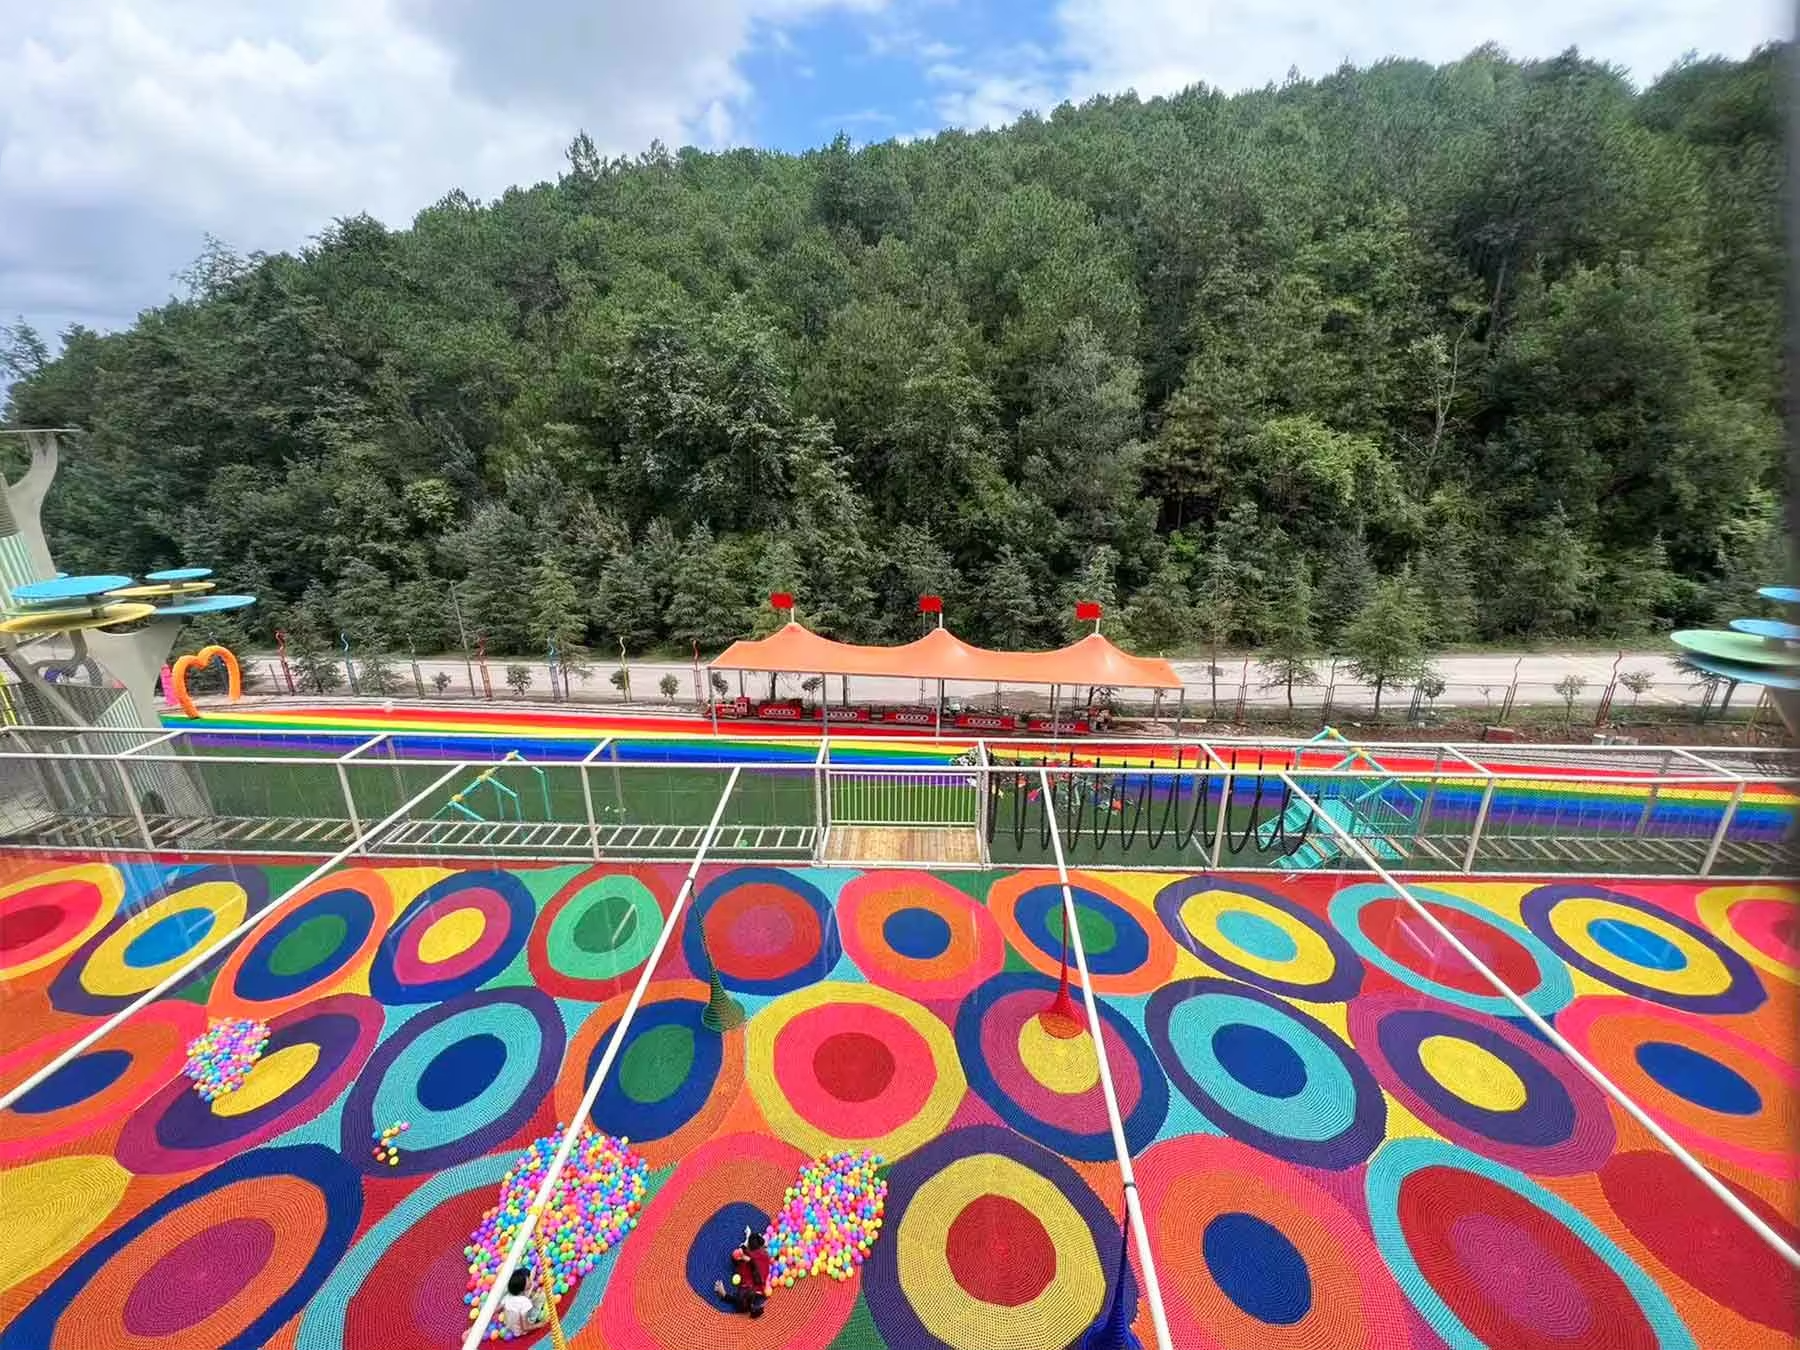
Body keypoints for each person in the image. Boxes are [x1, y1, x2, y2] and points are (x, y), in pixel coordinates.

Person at [713, 1230, 769, 1318]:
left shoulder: (747, 1261)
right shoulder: (763, 1256)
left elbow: (737, 1254)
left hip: (754, 1289)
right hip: (756, 1289)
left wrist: (725, 1295)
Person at [499, 1267, 541, 1336]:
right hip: (520, 1331)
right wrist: (540, 1324)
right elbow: (525, 1328)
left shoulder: (508, 1296)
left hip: (508, 1325)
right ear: (522, 1286)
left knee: (530, 1291)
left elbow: (498, 1308)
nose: (530, 1281)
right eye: (529, 1280)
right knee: (540, 1298)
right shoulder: (525, 1302)